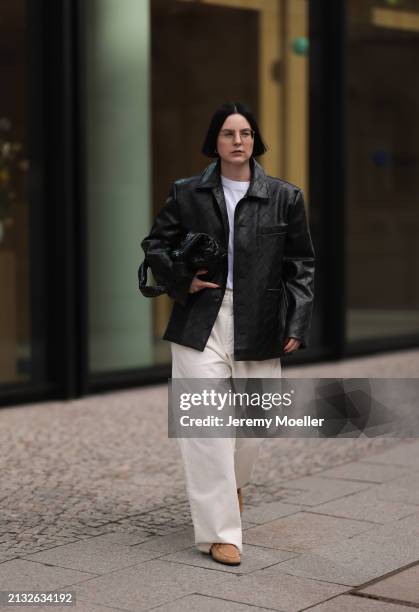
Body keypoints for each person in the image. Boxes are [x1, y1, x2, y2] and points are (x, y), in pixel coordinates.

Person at [141, 102, 315, 566]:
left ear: (255, 140)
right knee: (208, 429)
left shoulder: (285, 197)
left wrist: (296, 322)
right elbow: (155, 245)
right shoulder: (187, 192)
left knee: (254, 427)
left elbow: (301, 265)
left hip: (260, 320)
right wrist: (183, 280)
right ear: (213, 142)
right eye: (227, 133)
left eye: (245, 133)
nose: (237, 141)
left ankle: (233, 488)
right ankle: (220, 533)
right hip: (201, 319)